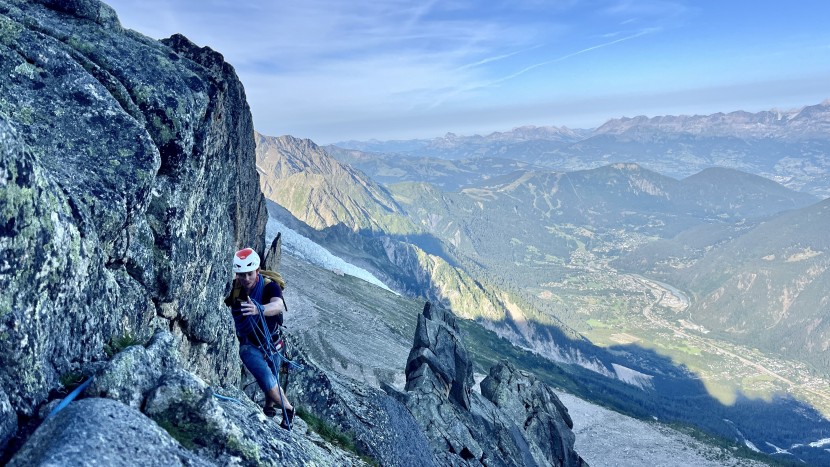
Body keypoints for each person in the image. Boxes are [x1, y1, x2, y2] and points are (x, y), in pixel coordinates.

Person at [226, 247, 294, 429]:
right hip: (250, 344)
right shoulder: (236, 289)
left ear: (257, 271)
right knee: (267, 378)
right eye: (242, 275)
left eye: (250, 274)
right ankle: (288, 409)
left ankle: (269, 407)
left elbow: (277, 305)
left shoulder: (269, 287)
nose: (246, 278)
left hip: (273, 342)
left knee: (273, 376)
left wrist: (259, 309)